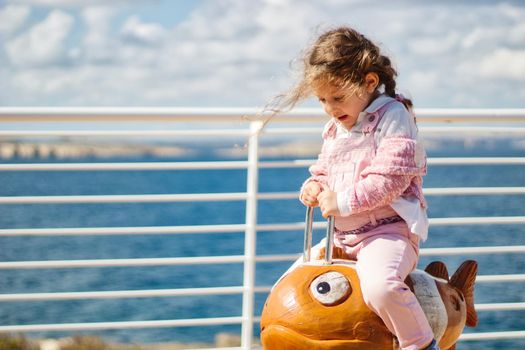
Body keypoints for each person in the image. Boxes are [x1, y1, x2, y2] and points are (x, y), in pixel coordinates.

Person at [277, 27, 438, 350]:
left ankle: (420, 344)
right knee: (289, 286)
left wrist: (343, 201)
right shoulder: (335, 127)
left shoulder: (393, 115)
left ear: (369, 81)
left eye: (337, 97)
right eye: (322, 100)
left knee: (381, 286)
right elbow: (324, 169)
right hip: (341, 236)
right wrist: (313, 186)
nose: (330, 108)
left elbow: (392, 178)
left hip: (387, 232)